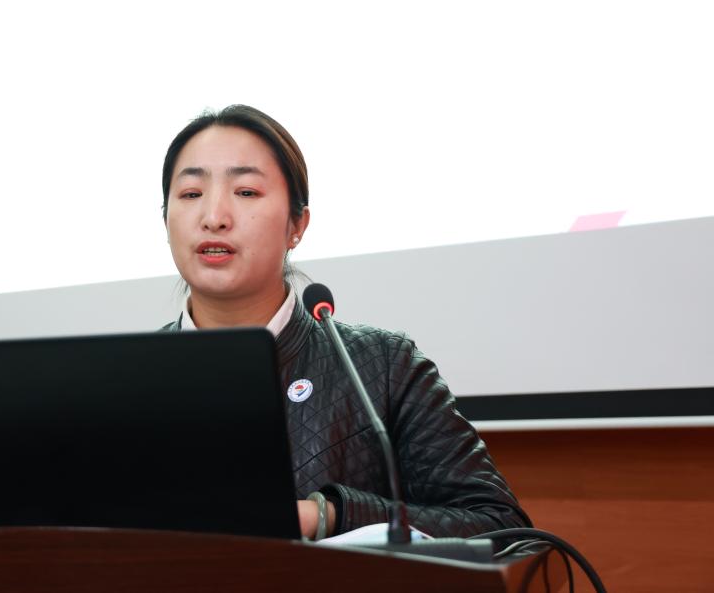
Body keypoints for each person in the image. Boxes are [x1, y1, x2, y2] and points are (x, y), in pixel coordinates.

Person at [159, 104, 531, 540]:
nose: (214, 217)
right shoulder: (128, 379)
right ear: (165, 219)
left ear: (297, 224)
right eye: (191, 194)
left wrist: (330, 515)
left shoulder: (383, 366)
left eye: (246, 192)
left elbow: (501, 526)